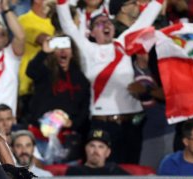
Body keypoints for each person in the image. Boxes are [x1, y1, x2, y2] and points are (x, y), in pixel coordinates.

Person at [56, 0, 162, 165]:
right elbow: (68, 26)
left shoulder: (124, 43)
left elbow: (145, 20)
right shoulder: (86, 49)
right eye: (99, 23)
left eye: (108, 22)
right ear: (90, 32)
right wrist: (61, 2)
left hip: (132, 124)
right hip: (102, 124)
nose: (105, 24)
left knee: (130, 172)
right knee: (104, 174)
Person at [64, 129, 131, 179]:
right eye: (92, 146)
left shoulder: (113, 169)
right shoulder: (74, 170)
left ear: (108, 152)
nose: (96, 151)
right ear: (86, 149)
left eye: (101, 147)